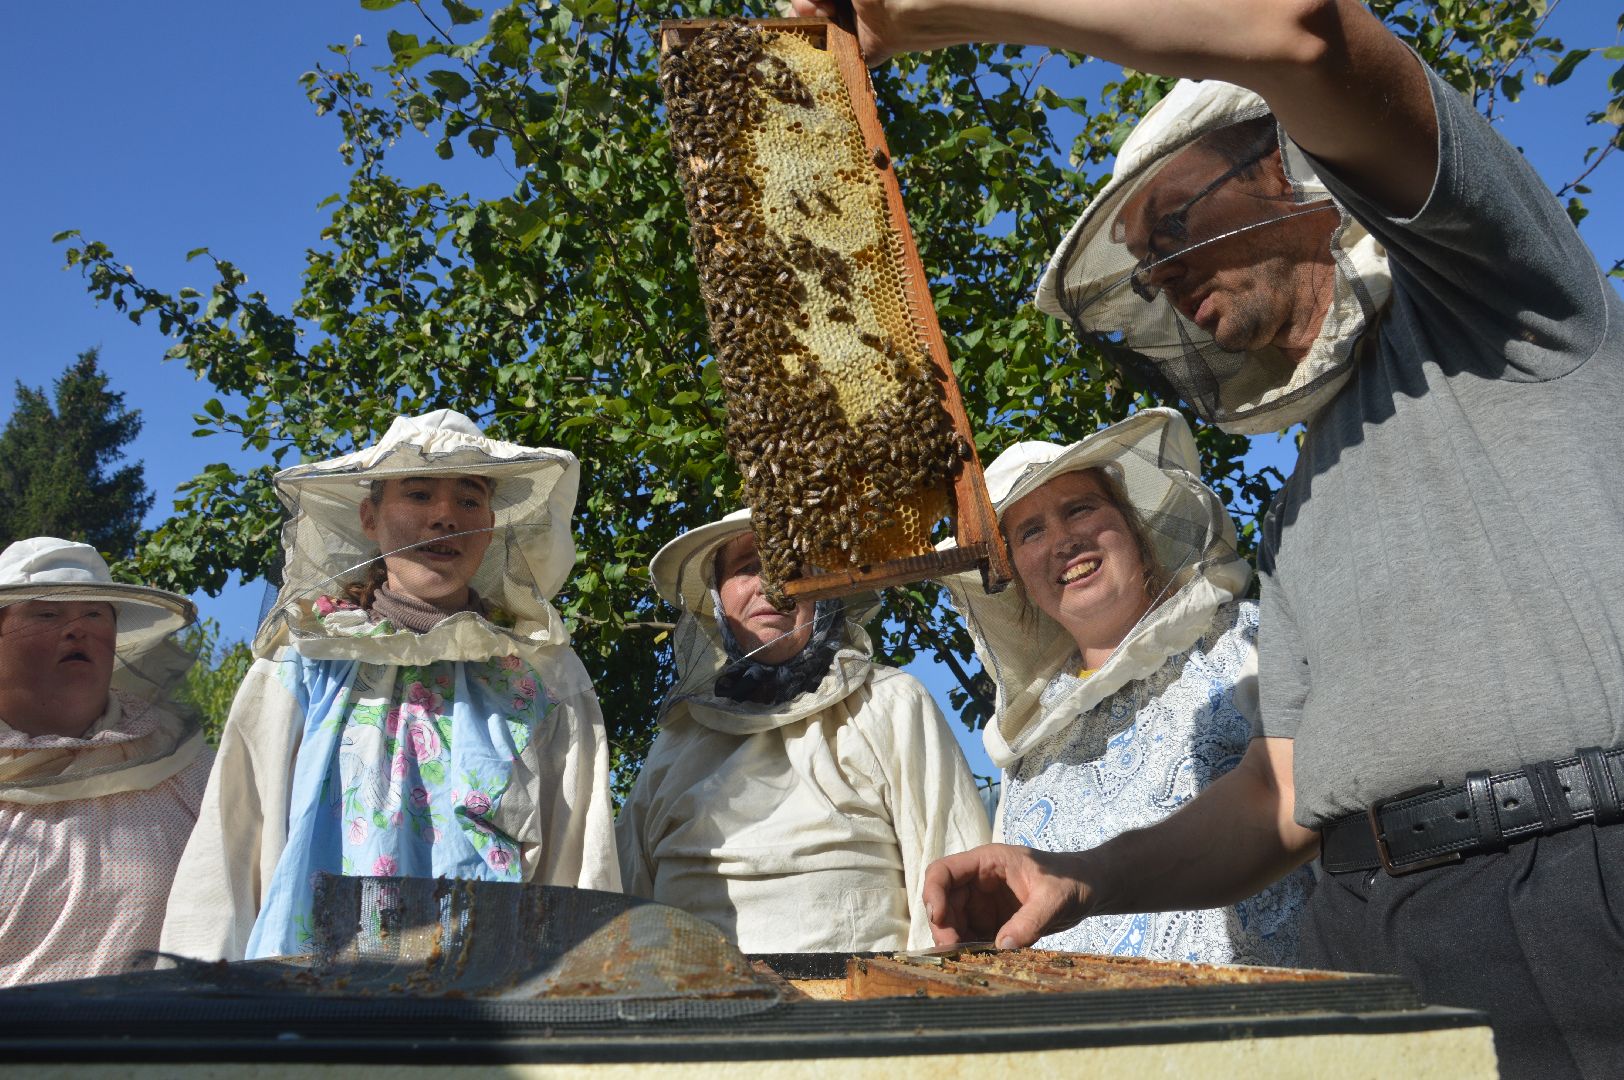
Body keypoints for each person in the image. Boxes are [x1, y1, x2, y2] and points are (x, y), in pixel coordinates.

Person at [788, 0, 1624, 1073]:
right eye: (1142, 269)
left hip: (1580, 876)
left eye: (1175, 230)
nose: (1162, 282)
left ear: (1287, 175)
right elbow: (1277, 793)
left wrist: (946, 12)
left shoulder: (1491, 297)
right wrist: (1082, 875)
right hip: (1372, 937)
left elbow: (1303, 29)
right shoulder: (1305, 502)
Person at [160, 410, 619, 961]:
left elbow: (580, 861)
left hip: (491, 1011)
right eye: (419, 495)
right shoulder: (302, 663)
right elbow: (230, 846)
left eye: (469, 500)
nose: (445, 517)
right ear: (369, 516)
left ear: (491, 525)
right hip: (310, 1009)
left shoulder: (544, 677)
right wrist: (196, 1005)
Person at [940, 408, 1310, 964]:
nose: (1063, 540)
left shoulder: (1247, 641)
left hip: (1277, 1023)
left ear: (1133, 527)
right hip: (1094, 1037)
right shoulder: (1027, 742)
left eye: (1080, 508)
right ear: (1015, 575)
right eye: (1031, 531)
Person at [616, 509, 990, 952]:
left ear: (827, 588)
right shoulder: (676, 742)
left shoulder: (891, 703)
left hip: (857, 1012)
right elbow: (621, 907)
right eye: (747, 568)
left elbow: (954, 877)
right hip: (692, 1008)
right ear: (718, 600)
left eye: (792, 565)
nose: (771, 585)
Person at [0, 537, 209, 986]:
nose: (77, 629)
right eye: (48, 612)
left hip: (150, 1046)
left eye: (94, 614)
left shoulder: (187, 766)